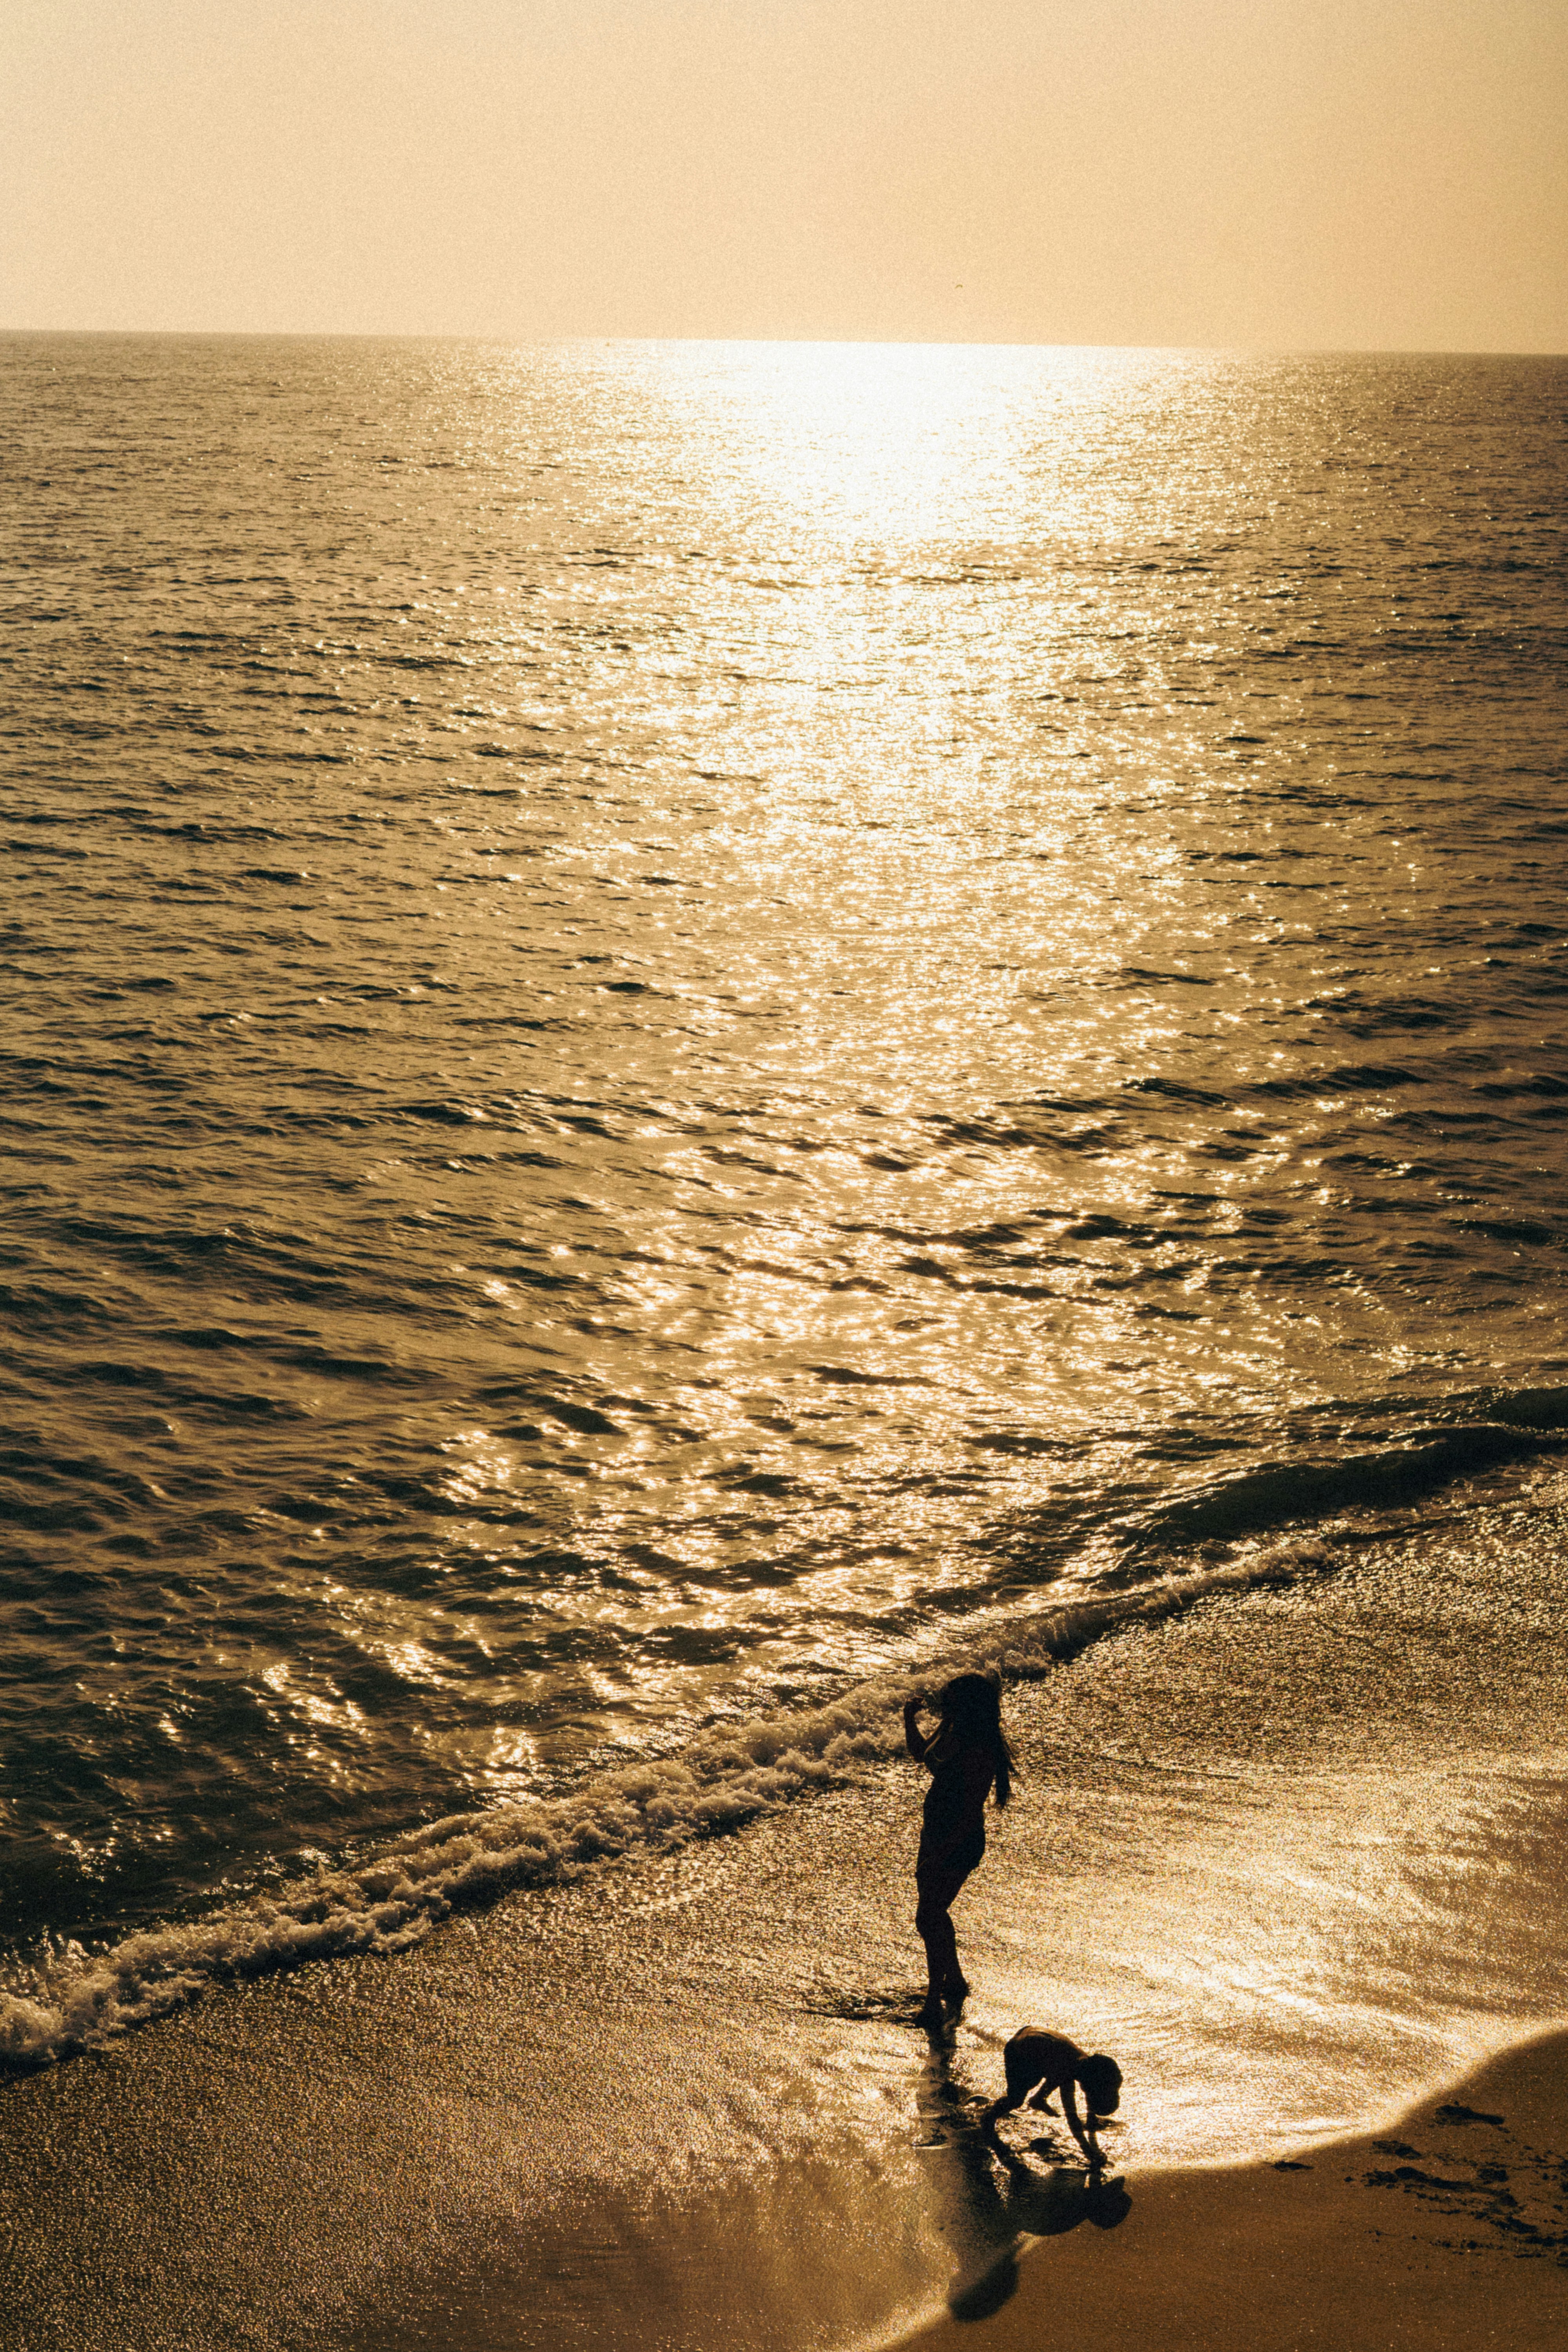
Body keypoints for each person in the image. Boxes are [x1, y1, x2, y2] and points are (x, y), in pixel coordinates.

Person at [904, 1671, 1014, 2013]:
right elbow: (922, 1755)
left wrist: (941, 1854)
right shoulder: (952, 1727)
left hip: (958, 1840)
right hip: (935, 1833)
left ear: (969, 1706)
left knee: (929, 1915)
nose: (944, 1704)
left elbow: (969, 1813)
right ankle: (954, 1981)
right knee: (934, 1913)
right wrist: (909, 1720)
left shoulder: (980, 1749)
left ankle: (934, 2000)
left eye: (951, 1700)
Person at [981, 2027, 1122, 2170]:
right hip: (1019, 2052)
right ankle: (988, 2119)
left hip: (1038, 2041)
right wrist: (1090, 2153)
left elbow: (1090, 2090)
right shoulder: (1066, 2073)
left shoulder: (1087, 2063)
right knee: (1016, 2100)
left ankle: (1039, 2099)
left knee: (1056, 2073)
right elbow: (1072, 2118)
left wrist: (1091, 2119)